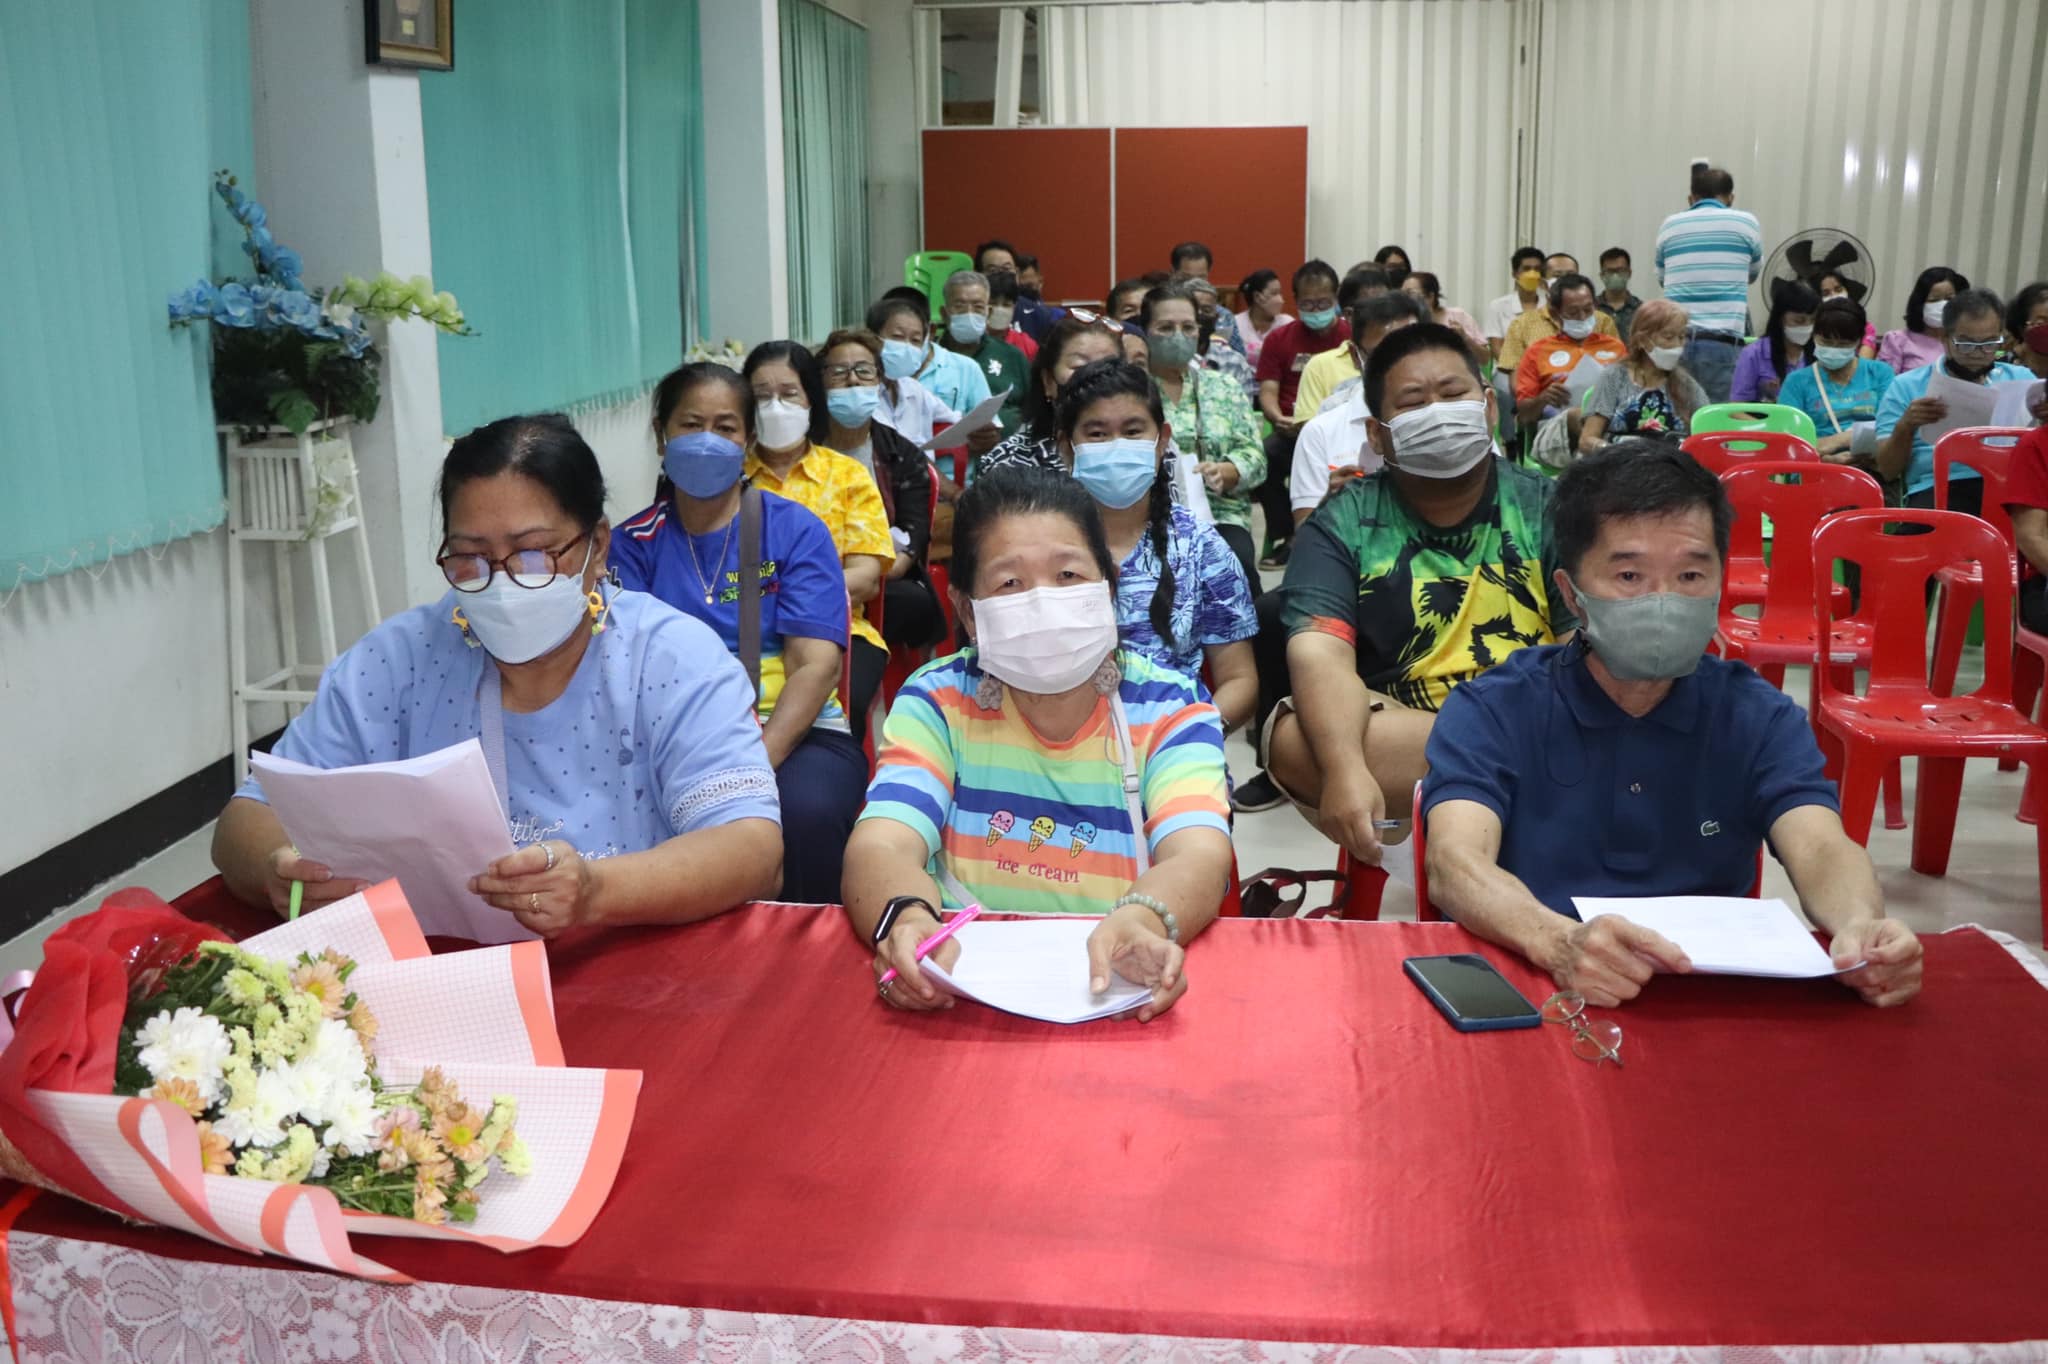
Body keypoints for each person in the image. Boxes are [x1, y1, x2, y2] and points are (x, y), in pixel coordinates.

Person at [212, 413, 783, 932]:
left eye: (533, 554)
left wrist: (595, 892)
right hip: (446, 972)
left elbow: (751, 847)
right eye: (470, 558)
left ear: (598, 546)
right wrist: (277, 870)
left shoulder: (670, 660)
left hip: (631, 964)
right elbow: (247, 818)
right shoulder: (399, 660)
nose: (502, 582)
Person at [1419, 442, 1923, 1010]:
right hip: (1540, 991)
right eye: (1629, 575)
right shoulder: (1493, 709)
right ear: (1570, 594)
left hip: (1709, 1000)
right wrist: (1557, 942)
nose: (1663, 601)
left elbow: (1822, 845)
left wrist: (1860, 926)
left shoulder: (1759, 716)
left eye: (1690, 574)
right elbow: (1454, 864)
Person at [843, 468, 1234, 1021]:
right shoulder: (938, 701)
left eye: (1068, 574)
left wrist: (1143, 920)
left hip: (1118, 988)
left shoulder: (1172, 706)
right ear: (967, 611)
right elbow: (882, 844)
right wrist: (906, 920)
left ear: (1109, 586)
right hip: (960, 991)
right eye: (1009, 583)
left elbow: (1198, 853)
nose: (1044, 602)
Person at [1267, 323, 1575, 866]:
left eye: (1453, 394)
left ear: (1489, 407)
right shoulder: (1342, 521)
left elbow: (1585, 643)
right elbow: (1320, 653)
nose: (1438, 413)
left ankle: (1496, 808)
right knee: (1292, 741)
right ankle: (1541, 781)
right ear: (1377, 435)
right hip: (1413, 723)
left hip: (1528, 708)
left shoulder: (1548, 505)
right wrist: (1343, 768)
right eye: (1413, 402)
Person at [614, 370, 865, 904]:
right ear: (661, 434)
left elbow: (816, 666)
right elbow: (624, 669)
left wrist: (752, 767)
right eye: (691, 424)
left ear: (748, 440)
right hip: (674, 739)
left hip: (793, 733)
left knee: (807, 813)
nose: (707, 440)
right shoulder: (632, 545)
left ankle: (805, 943)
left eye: (725, 427)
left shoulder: (795, 530)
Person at [1057, 359, 1258, 728]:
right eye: (1097, 434)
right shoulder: (1037, 547)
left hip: (1175, 742)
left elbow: (1240, 680)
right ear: (1067, 447)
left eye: (1133, 431)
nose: (1117, 447)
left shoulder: (1201, 546)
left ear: (1162, 440)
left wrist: (1189, 738)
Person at [738, 341, 898, 728]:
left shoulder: (847, 476)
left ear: (811, 399)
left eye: (789, 393)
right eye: (761, 396)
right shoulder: (730, 477)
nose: (775, 407)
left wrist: (781, 596)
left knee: (842, 702)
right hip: (736, 627)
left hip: (838, 628)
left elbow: (865, 577)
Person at [817, 330, 949, 653]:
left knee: (913, 602)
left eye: (864, 371)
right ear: (820, 383)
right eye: (839, 372)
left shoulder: (902, 455)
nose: (852, 380)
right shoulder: (802, 448)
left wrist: (864, 573)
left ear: (879, 382)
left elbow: (910, 542)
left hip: (878, 580)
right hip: (807, 573)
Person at [1142, 280, 1269, 590]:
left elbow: (1256, 456)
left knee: (1235, 567)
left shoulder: (1223, 387)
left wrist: (1230, 471)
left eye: (1188, 327)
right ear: (1145, 332)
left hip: (1219, 513)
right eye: (1165, 327)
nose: (1178, 336)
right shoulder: (1131, 389)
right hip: (1147, 515)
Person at [1877, 287, 2034, 517]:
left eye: (1990, 343)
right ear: (1944, 338)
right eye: (1966, 344)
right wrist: (1906, 426)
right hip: (1938, 485)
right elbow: (1887, 470)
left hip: (2010, 486)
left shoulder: (2022, 380)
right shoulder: (1906, 386)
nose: (1978, 354)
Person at [1292, 291, 1429, 515]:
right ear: (1356, 357)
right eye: (1381, 354)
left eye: (1409, 351)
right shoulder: (1321, 432)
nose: (1398, 366)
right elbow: (1303, 528)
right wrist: (1330, 503)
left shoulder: (1454, 420)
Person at [1255, 260, 1351, 569]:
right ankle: (1288, 534)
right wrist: (1276, 417)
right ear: (1295, 302)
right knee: (1262, 459)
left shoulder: (1351, 336)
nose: (1316, 310)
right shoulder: (1279, 339)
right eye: (1308, 304)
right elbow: (1268, 390)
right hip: (1292, 431)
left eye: (1323, 303)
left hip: (1341, 431)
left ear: (1336, 299)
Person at [1655, 166, 1764, 403]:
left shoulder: (1669, 225)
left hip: (1675, 342)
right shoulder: (1746, 223)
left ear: (1691, 199)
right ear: (1731, 198)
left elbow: (1663, 278)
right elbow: (1752, 274)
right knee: (1715, 419)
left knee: (1676, 416)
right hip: (1723, 343)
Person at [979, 312, 1127, 476]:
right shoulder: (1009, 463)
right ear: (1048, 381)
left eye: (1108, 367)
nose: (1095, 377)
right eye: (1080, 367)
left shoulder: (1139, 452)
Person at [1515, 273, 1629, 457]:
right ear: (1556, 313)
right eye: (1573, 313)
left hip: (1610, 422)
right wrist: (1543, 398)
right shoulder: (1538, 351)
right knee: (1576, 414)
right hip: (1556, 431)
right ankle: (1604, 453)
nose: (1582, 317)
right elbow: (1525, 416)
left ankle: (1606, 452)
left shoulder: (1615, 347)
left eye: (1588, 310)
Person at [1578, 299, 1708, 453]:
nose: (1677, 345)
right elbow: (1587, 440)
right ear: (1642, 340)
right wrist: (1611, 450)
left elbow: (1707, 430)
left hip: (1669, 462)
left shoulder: (1685, 384)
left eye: (1681, 337)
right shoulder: (1615, 377)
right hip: (1620, 459)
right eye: (1668, 337)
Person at [1776, 298, 1896, 463]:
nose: (1833, 349)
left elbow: (1891, 425)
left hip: (1874, 467)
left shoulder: (1880, 373)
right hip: (1816, 468)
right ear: (1814, 335)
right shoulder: (1796, 382)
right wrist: (1828, 458)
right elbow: (1788, 442)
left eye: (1843, 344)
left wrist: (1841, 440)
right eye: (1826, 342)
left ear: (1859, 341)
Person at [874, 290, 993, 431]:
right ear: (874, 336)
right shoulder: (863, 381)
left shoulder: (917, 390)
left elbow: (962, 422)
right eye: (897, 337)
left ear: (930, 332)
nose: (906, 346)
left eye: (915, 340)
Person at [1292, 267, 1394, 422]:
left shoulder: (1410, 358)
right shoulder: (1319, 366)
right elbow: (1310, 426)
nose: (1386, 317)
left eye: (1390, 308)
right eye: (1375, 310)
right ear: (1349, 315)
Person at [938, 270, 1028, 441]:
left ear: (989, 312)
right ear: (944, 313)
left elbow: (1033, 410)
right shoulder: (931, 359)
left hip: (1005, 451)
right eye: (959, 306)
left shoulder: (1012, 357)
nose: (969, 313)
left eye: (978, 307)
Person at [1499, 270, 1621, 379]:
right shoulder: (1523, 326)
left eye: (1570, 275)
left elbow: (1622, 373)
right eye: (1573, 312)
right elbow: (1517, 376)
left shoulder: (1604, 322)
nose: (1582, 317)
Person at [1730, 279, 1818, 402]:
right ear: (1780, 318)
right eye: (1799, 321)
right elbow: (1738, 406)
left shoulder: (1820, 352)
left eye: (1812, 320)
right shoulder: (1753, 354)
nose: (1807, 327)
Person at [1878, 266, 1971, 374]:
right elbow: (1884, 381)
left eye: (1949, 299)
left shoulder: (1967, 343)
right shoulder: (1897, 340)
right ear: (1920, 304)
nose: (1942, 306)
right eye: (1934, 300)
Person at [1187, 276, 1257, 403]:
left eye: (1206, 310)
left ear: (1216, 317)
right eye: (1193, 309)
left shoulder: (1234, 362)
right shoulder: (1169, 361)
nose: (1199, 314)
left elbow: (1245, 411)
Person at [979, 239, 1064, 341]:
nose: (1001, 275)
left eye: (1006, 269)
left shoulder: (1039, 315)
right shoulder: (970, 313)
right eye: (992, 270)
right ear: (978, 274)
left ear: (1017, 274)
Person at [1399, 272, 1486, 361]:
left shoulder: (1458, 316)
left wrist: (1464, 337)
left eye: (1410, 293)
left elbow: (1484, 359)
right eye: (1402, 294)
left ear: (1430, 297)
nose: (1403, 299)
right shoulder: (1403, 323)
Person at [1484, 246, 1548, 362]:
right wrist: (1516, 369)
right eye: (1526, 269)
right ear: (1514, 274)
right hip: (1508, 367)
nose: (1532, 273)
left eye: (1537, 269)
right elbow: (1496, 347)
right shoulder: (1498, 306)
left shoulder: (1550, 304)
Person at [1234, 268, 1293, 370]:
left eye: (1280, 293)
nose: (1281, 300)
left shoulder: (1288, 324)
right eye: (1274, 293)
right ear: (1257, 297)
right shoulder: (1236, 324)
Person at [1815, 271, 1880, 357]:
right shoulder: (1814, 326)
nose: (1834, 295)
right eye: (1826, 293)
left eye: (1838, 290)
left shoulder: (1865, 327)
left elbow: (1865, 360)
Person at [986, 269, 1038, 361]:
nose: (999, 309)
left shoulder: (1027, 345)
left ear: (1014, 307)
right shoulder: (972, 342)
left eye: (1006, 305)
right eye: (993, 303)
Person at [1594, 246, 1643, 344]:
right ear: (1602, 275)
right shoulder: (1590, 308)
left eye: (1620, 270)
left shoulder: (1642, 310)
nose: (1615, 275)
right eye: (1610, 271)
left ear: (1629, 273)